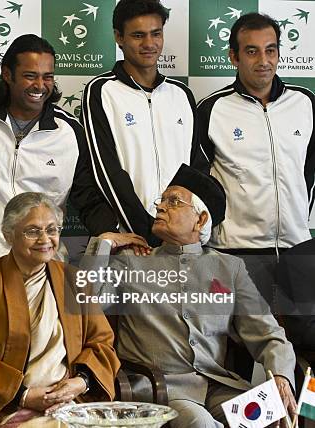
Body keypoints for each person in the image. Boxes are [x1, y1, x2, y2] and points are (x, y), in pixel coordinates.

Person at [101, 164, 296, 427]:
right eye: (162, 201)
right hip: (161, 390)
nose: (160, 207)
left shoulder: (230, 268)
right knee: (200, 424)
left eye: (174, 202)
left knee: (271, 415)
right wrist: (103, 245)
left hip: (216, 386)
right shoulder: (132, 262)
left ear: (200, 220)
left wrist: (282, 377)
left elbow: (267, 332)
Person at [0, 192, 120, 427]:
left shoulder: (72, 279)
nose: (45, 239)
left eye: (52, 230)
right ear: (8, 235)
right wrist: (25, 395)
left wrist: (81, 382)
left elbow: (101, 342)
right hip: (8, 406)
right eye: (32, 231)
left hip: (70, 401)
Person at [195, 13, 315, 304]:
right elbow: (199, 185)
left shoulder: (305, 103)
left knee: (301, 343)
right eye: (252, 51)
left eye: (270, 50)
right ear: (234, 57)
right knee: (240, 346)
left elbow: (308, 173)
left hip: (297, 248)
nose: (264, 60)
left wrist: (296, 217)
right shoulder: (211, 110)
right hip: (236, 252)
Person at [72, 0, 199, 247]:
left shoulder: (181, 94)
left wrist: (182, 227)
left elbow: (194, 170)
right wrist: (142, 231)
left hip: (179, 240)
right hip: (130, 242)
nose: (149, 44)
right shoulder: (101, 91)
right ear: (119, 37)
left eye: (156, 34)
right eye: (138, 35)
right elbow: (105, 172)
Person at [0, 34, 94, 259]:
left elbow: (88, 195)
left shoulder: (70, 131)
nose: (40, 86)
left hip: (45, 262)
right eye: (29, 76)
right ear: (7, 74)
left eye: (48, 77)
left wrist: (109, 231)